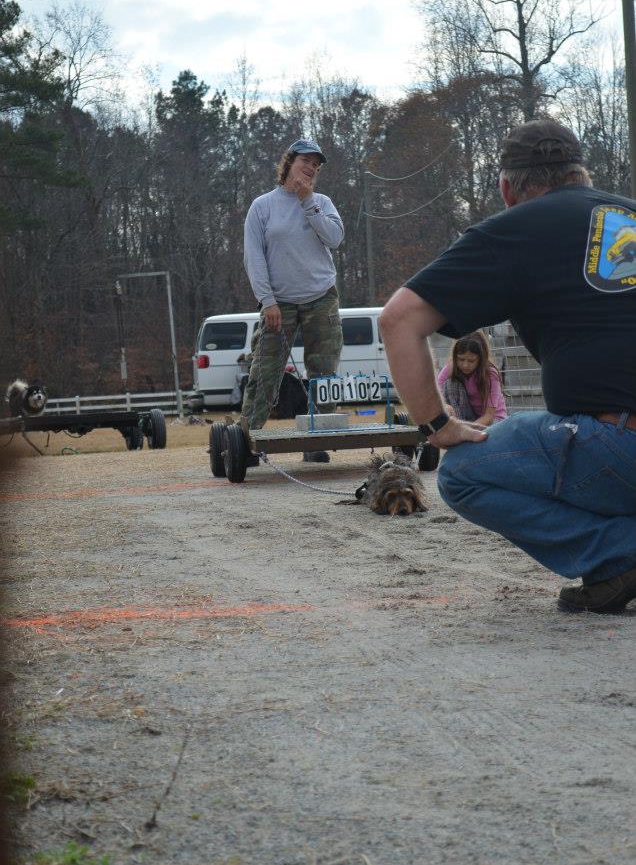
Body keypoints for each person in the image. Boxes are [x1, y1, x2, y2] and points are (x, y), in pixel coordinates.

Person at [380, 119, 636, 615]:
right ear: (582, 174)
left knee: (464, 471)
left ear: (506, 189)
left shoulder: (516, 230)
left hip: (618, 445)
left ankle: (617, 552)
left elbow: (399, 320)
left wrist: (437, 425)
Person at [240, 137, 344, 462]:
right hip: (278, 304)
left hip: (321, 299)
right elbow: (253, 256)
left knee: (323, 373)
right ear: (289, 163)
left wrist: (307, 201)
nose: (310, 167)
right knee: (264, 372)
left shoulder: (322, 202)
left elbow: (335, 239)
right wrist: (266, 300)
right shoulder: (262, 206)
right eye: (305, 161)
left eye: (316, 164)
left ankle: (316, 444)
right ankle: (246, 444)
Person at [438, 330, 507, 426]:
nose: (465, 365)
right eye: (461, 359)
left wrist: (468, 431)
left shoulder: (490, 374)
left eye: (471, 361)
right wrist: (444, 406)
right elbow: (436, 390)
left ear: (481, 358)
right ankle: (458, 427)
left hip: (495, 420)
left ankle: (461, 430)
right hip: (472, 416)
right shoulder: (452, 367)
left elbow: (489, 416)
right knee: (450, 384)